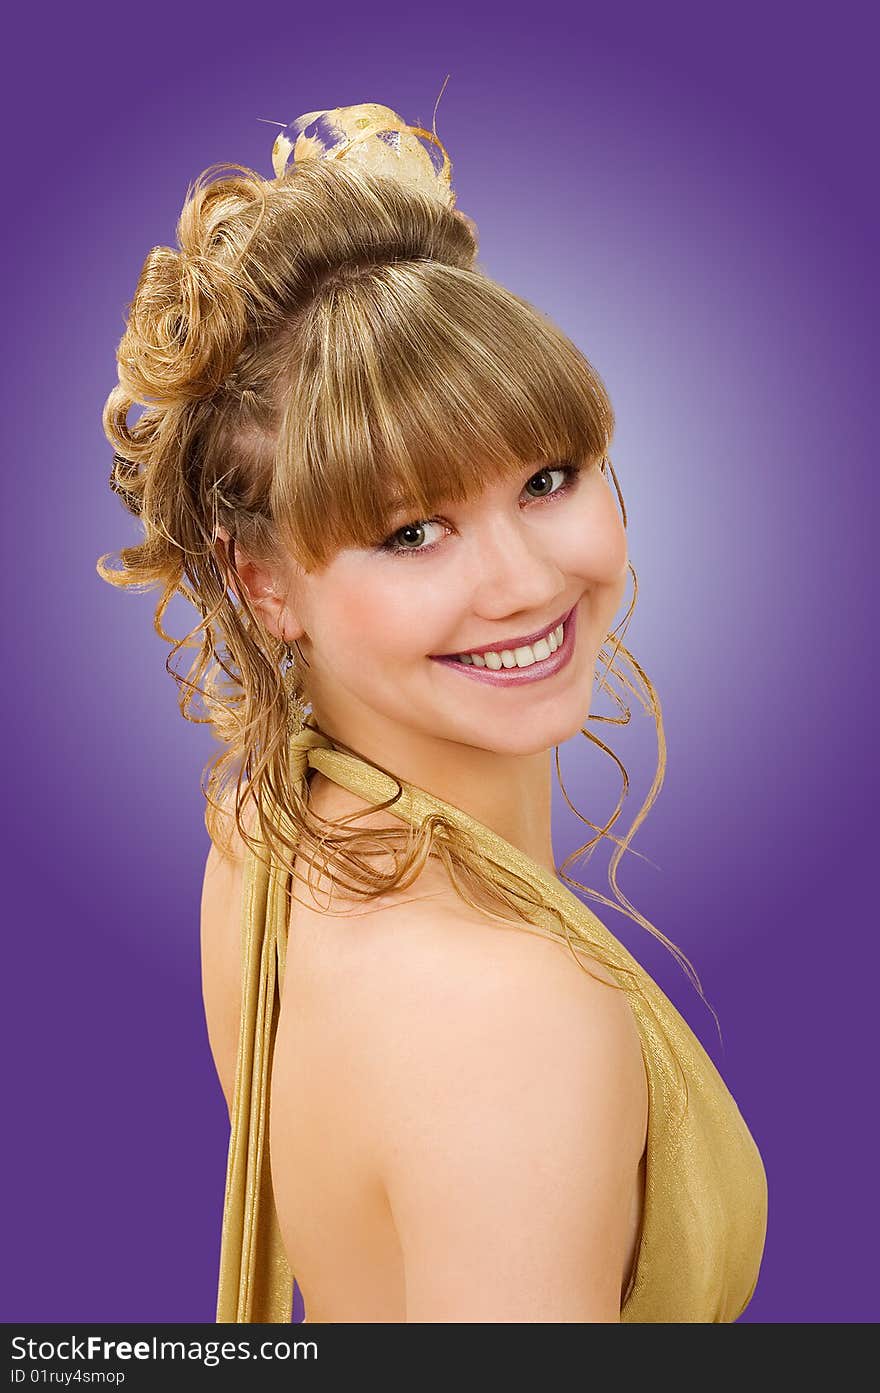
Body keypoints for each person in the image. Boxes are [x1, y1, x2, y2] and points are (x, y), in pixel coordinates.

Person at [97, 102, 768, 1323]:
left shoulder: (269, 815)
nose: (521, 582)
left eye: (546, 479)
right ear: (265, 583)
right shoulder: (517, 1020)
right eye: (412, 531)